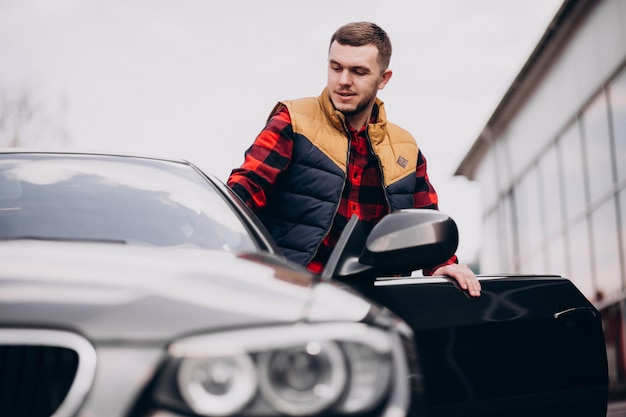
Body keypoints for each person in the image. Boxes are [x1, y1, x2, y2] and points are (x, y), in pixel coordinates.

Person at [227, 21, 481, 297]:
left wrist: (444, 266)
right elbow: (245, 188)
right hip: (289, 294)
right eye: (336, 68)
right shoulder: (293, 120)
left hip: (373, 307)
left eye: (358, 72)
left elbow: (427, 226)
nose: (343, 81)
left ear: (384, 79)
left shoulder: (405, 148)